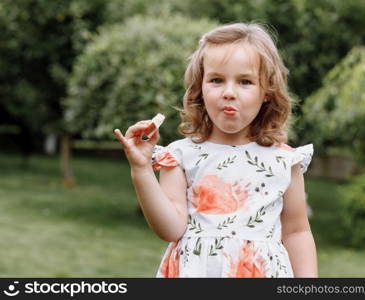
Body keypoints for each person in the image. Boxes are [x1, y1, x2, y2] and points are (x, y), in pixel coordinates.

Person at [114, 23, 317, 278]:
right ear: (200, 87)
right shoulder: (181, 157)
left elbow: (297, 232)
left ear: (267, 91)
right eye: (216, 80)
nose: (229, 92)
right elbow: (171, 229)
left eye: (245, 81)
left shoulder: (284, 160)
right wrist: (141, 169)